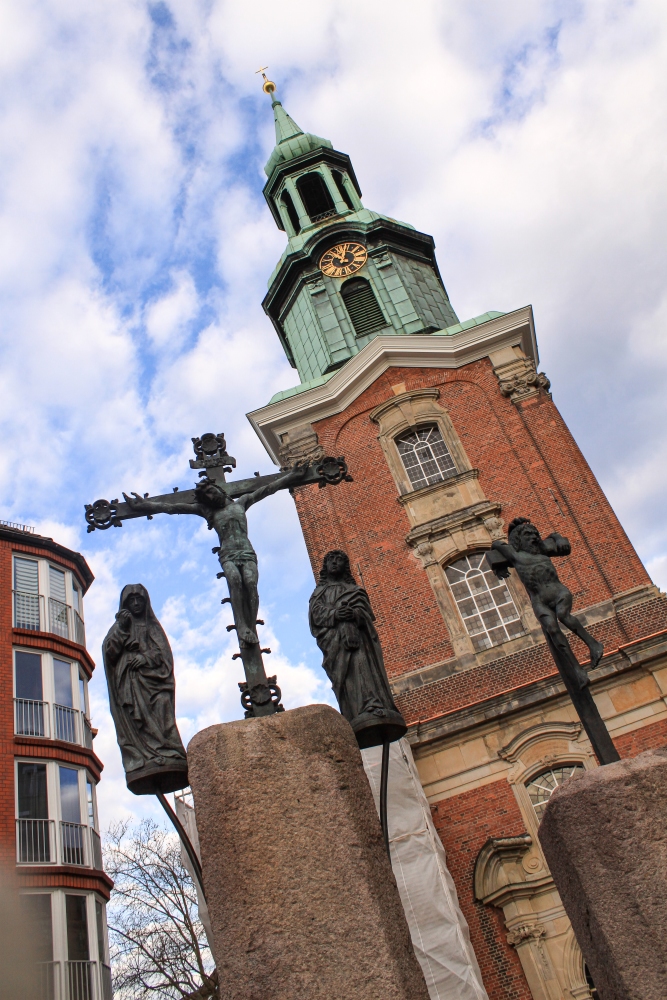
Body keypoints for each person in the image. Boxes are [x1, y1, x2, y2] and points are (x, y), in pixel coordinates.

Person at [123, 464, 308, 645]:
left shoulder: (241, 502)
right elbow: (172, 508)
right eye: (207, 497)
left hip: (246, 551)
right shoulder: (207, 511)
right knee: (235, 580)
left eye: (212, 491)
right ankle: (242, 626)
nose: (211, 497)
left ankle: (250, 625)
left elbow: (268, 489)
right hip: (228, 554)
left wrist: (292, 476)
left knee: (251, 583)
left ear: (219, 489)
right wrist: (146, 505)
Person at [489, 517, 603, 688]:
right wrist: (497, 566)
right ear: (518, 540)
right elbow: (496, 544)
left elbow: (555, 538)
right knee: (552, 629)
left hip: (559, 593)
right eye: (528, 535)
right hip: (540, 601)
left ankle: (593, 644)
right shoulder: (515, 555)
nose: (533, 538)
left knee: (563, 615)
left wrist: (558, 538)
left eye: (534, 534)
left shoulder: (542, 549)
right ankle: (578, 670)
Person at [309, 550, 406, 747]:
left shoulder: (355, 591)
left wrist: (354, 615)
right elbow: (316, 617)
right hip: (336, 645)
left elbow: (367, 615)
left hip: (359, 641)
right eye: (330, 560)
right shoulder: (319, 594)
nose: (334, 563)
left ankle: (373, 704)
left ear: (345, 566)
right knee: (348, 677)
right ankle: (355, 711)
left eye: (339, 560)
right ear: (325, 566)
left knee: (364, 668)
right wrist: (336, 615)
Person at [103, 584, 188, 794]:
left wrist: (145, 657)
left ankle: (168, 751)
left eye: (139, 600)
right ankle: (143, 756)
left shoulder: (152, 627)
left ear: (145, 602)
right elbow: (109, 653)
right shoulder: (120, 626)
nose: (135, 604)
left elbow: (163, 654)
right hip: (130, 684)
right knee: (135, 718)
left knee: (162, 704)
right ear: (125, 604)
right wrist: (122, 628)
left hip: (154, 681)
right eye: (131, 601)